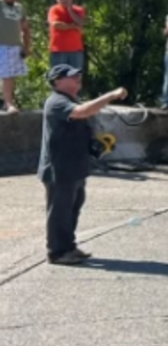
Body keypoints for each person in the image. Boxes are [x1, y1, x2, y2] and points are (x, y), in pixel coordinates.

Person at [38, 63, 127, 266]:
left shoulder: (70, 99)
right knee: (59, 211)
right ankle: (57, 252)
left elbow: (82, 120)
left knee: (73, 207)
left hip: (74, 166)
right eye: (72, 76)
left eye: (78, 74)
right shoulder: (57, 102)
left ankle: (68, 246)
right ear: (58, 81)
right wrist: (110, 95)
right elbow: (82, 112)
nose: (78, 77)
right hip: (59, 168)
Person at [0, 0, 31, 114]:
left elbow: (25, 28)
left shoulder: (19, 8)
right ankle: (8, 103)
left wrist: (27, 46)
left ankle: (8, 103)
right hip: (1, 44)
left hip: (14, 45)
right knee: (6, 74)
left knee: (10, 75)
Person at [48, 0, 87, 70]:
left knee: (76, 78)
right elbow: (57, 25)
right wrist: (73, 26)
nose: (65, 0)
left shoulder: (79, 9)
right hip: (58, 50)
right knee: (59, 78)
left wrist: (70, 10)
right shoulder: (54, 10)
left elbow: (81, 23)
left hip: (76, 50)